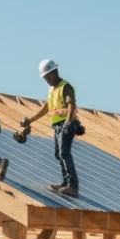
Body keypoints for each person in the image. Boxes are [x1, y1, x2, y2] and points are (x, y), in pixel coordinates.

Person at [21, 59, 81, 198]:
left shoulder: (65, 87)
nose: (46, 80)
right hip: (58, 125)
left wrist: (67, 123)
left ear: (53, 73)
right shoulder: (53, 90)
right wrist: (30, 120)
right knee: (58, 154)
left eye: (47, 76)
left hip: (67, 124)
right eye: (45, 78)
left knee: (64, 153)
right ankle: (65, 182)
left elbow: (71, 105)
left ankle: (73, 186)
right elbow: (47, 107)